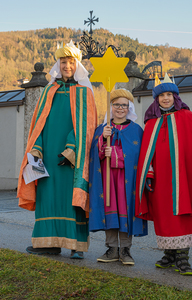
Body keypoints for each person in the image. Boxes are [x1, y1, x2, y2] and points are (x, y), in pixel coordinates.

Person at [17, 40, 97, 259]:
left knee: (72, 199)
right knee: (48, 198)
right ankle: (47, 243)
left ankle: (76, 245)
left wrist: (72, 148)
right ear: (58, 64)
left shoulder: (84, 93)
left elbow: (86, 126)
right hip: (48, 156)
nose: (67, 66)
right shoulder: (48, 91)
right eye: (63, 62)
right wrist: (36, 149)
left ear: (77, 65)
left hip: (72, 158)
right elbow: (38, 124)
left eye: (71, 62)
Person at [135, 74, 192, 276]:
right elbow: (146, 154)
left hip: (182, 178)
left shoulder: (188, 117)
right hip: (160, 180)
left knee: (182, 213)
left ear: (176, 97)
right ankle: (169, 253)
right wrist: (148, 172)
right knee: (164, 214)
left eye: (169, 94)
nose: (165, 98)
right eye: (161, 95)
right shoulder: (151, 123)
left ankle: (183, 257)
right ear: (156, 99)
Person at [89, 88, 147, 265]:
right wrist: (101, 140)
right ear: (111, 106)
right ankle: (112, 248)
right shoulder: (103, 128)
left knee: (126, 209)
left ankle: (125, 249)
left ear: (129, 107)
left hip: (127, 179)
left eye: (124, 105)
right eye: (116, 105)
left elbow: (137, 153)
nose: (120, 108)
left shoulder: (136, 130)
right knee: (109, 208)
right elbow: (92, 154)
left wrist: (115, 153)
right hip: (107, 179)